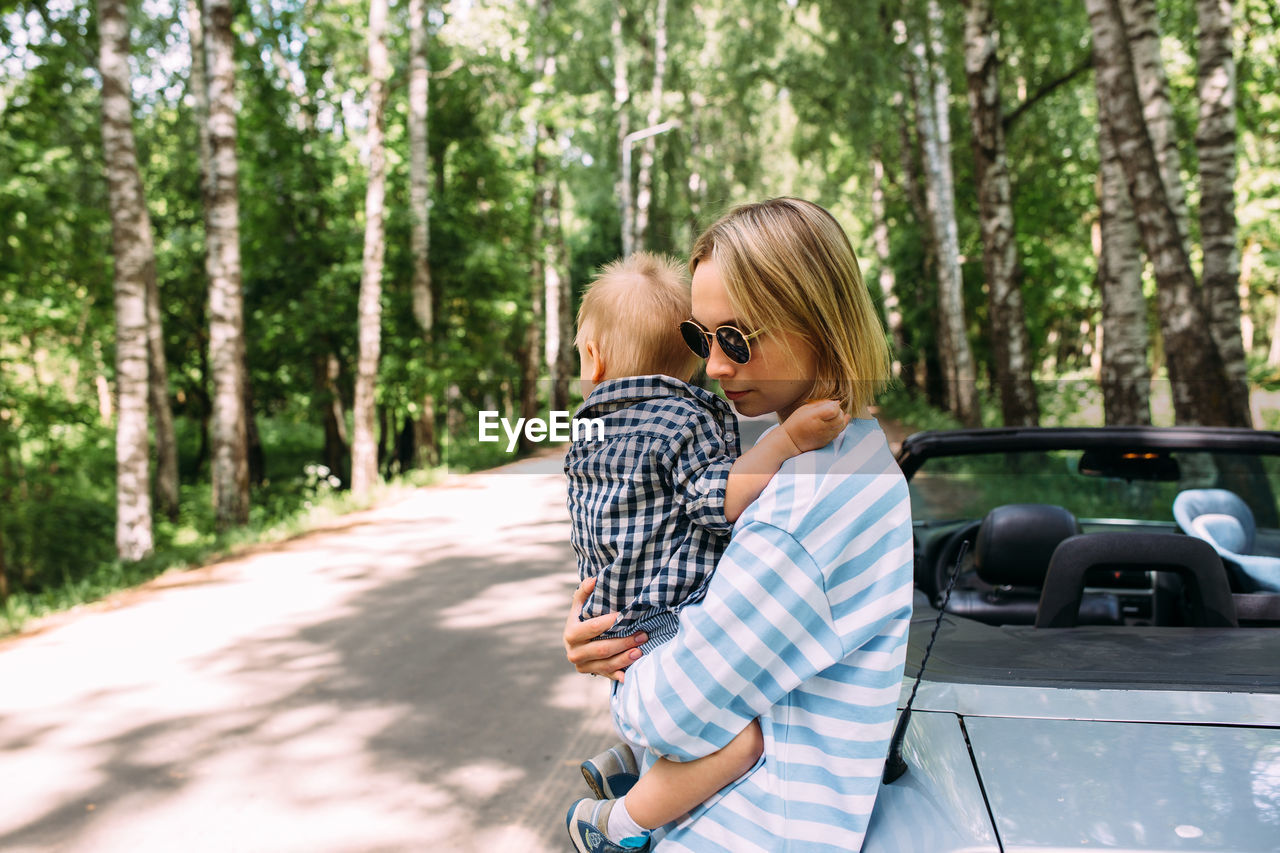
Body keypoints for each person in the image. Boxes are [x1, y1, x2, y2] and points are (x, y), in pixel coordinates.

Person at [563, 198, 914, 852]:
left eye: (738, 339)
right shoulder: (844, 454)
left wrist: (620, 664)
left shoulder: (807, 506)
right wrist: (609, 634)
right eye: (701, 339)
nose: (715, 368)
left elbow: (667, 713)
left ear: (818, 321)